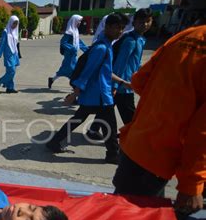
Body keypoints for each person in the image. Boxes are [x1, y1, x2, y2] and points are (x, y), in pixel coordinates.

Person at [112, 25, 206, 219]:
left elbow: (139, 81)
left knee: (130, 214)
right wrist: (192, 185)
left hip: (140, 143)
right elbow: (201, 131)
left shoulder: (189, 34)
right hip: (164, 153)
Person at [45, 13, 130, 164]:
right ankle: (112, 153)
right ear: (108, 27)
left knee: (79, 119)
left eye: (122, 28)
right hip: (99, 95)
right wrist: (74, 93)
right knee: (109, 125)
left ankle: (54, 142)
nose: (120, 31)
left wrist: (122, 81)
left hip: (96, 95)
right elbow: (87, 73)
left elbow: (106, 71)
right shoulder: (102, 48)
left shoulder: (105, 46)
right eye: (118, 27)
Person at [87, 9, 153, 140]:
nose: (144, 25)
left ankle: (93, 130)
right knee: (129, 115)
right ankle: (132, 138)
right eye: (141, 22)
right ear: (134, 23)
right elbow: (120, 64)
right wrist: (116, 85)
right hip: (123, 86)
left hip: (126, 83)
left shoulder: (140, 39)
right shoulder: (130, 40)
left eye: (147, 22)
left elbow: (134, 62)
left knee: (106, 109)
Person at [48, 15, 89, 89]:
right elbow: (63, 42)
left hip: (73, 55)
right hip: (69, 55)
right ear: (74, 21)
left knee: (65, 70)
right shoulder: (69, 32)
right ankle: (74, 85)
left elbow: (79, 43)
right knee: (72, 70)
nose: (80, 23)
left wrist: (87, 49)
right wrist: (72, 48)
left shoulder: (75, 31)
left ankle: (52, 79)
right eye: (79, 21)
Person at [0, 16, 20, 94]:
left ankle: (10, 87)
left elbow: (16, 44)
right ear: (10, 22)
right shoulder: (5, 32)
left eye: (16, 23)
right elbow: (2, 44)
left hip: (15, 54)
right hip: (8, 55)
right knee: (11, 71)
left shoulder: (15, 31)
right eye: (14, 23)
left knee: (12, 71)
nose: (15, 25)